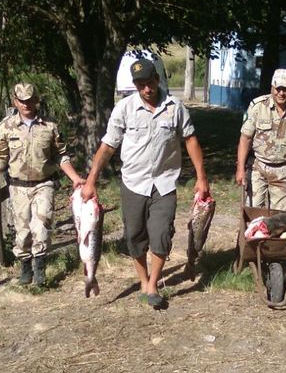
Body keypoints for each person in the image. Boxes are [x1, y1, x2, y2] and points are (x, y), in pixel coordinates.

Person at [81, 57, 210, 309]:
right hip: (133, 183)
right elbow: (108, 146)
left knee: (161, 233)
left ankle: (153, 284)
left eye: (149, 83)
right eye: (140, 85)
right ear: (135, 85)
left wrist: (201, 177)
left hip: (164, 182)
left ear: (157, 80)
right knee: (134, 236)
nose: (146, 89)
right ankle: (143, 280)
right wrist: (91, 180)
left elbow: (190, 140)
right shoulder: (125, 108)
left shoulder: (175, 107)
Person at [0, 82, 83, 285]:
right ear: (15, 101)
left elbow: (61, 155)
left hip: (44, 184)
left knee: (41, 227)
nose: (26, 105)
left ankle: (40, 270)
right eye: (22, 101)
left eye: (30, 100)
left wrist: (75, 178)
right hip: (18, 187)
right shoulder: (7, 127)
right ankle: (25, 268)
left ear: (36, 100)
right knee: (23, 232)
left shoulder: (49, 126)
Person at [235, 68, 286, 210]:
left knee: (279, 219)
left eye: (285, 89)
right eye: (278, 89)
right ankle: (251, 232)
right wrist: (240, 168)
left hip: (284, 171)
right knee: (252, 211)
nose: (281, 93)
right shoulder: (258, 106)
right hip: (257, 167)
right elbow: (245, 138)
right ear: (272, 87)